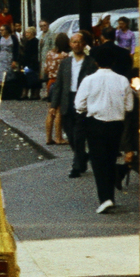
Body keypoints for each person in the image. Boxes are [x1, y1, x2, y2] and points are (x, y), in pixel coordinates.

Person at [75, 47, 134, 213]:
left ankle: (105, 198)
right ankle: (110, 196)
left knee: (98, 162)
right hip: (116, 124)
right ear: (113, 62)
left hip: (95, 123)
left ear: (96, 62)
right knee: (110, 158)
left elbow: (79, 105)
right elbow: (129, 106)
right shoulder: (122, 80)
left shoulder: (88, 80)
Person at [55, 32, 96, 177]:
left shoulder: (91, 63)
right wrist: (54, 105)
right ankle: (82, 157)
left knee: (79, 135)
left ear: (84, 44)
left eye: (79, 42)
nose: (76, 45)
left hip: (83, 101)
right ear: (70, 44)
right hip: (68, 100)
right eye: (74, 42)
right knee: (71, 135)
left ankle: (76, 166)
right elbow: (59, 83)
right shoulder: (65, 63)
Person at [43, 33, 70, 144]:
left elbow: (45, 69)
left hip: (50, 82)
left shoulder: (49, 54)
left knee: (51, 111)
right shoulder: (65, 56)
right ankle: (59, 137)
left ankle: (48, 138)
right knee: (59, 111)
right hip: (60, 83)